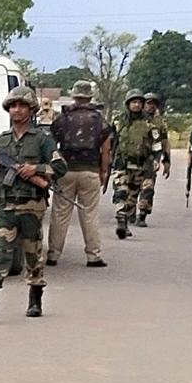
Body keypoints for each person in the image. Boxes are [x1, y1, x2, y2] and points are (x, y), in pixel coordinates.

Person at [0, 86, 67, 322]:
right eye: (13, 106)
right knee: (0, 253)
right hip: (5, 205)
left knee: (33, 254)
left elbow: (60, 167)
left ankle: (35, 295)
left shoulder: (42, 140)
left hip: (32, 205)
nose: (17, 110)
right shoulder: (0, 141)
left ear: (31, 109)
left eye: (22, 105)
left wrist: (36, 169)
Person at [46, 80, 110, 268]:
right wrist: (103, 171)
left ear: (74, 96)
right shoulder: (99, 120)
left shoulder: (62, 118)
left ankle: (53, 255)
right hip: (90, 171)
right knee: (89, 214)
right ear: (90, 96)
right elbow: (106, 149)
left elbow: (51, 145)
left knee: (60, 214)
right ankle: (93, 256)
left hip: (65, 171)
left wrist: (52, 170)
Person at [111, 89, 160, 239]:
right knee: (121, 193)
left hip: (141, 165)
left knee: (132, 197)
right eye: (134, 102)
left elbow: (156, 144)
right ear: (128, 104)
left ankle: (127, 221)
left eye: (139, 102)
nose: (137, 105)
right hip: (122, 164)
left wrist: (157, 160)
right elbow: (111, 142)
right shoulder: (118, 121)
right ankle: (121, 220)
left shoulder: (150, 123)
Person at [137, 92, 171, 227]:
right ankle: (129, 212)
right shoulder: (135, 119)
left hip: (151, 159)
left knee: (148, 187)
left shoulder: (160, 123)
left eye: (154, 104)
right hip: (134, 158)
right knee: (131, 188)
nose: (151, 106)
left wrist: (166, 160)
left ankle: (142, 214)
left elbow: (165, 142)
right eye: (148, 103)